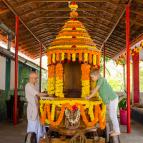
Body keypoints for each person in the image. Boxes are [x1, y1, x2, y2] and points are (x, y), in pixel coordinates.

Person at [85, 69, 120, 136]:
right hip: (111, 100)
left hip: (112, 99)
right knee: (112, 115)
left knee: (113, 116)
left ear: (97, 75)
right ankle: (115, 130)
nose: (92, 79)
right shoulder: (99, 81)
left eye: (92, 77)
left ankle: (117, 131)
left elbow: (95, 90)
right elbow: (94, 90)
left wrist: (89, 97)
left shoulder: (101, 80)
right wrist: (89, 92)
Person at [25, 71, 47, 142]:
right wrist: (47, 95)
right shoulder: (28, 86)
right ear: (30, 78)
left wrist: (44, 94)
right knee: (32, 129)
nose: (35, 80)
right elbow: (38, 94)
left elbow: (39, 96)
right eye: (33, 78)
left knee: (38, 129)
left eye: (36, 78)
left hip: (37, 110)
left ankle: (37, 141)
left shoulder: (36, 85)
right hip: (32, 111)